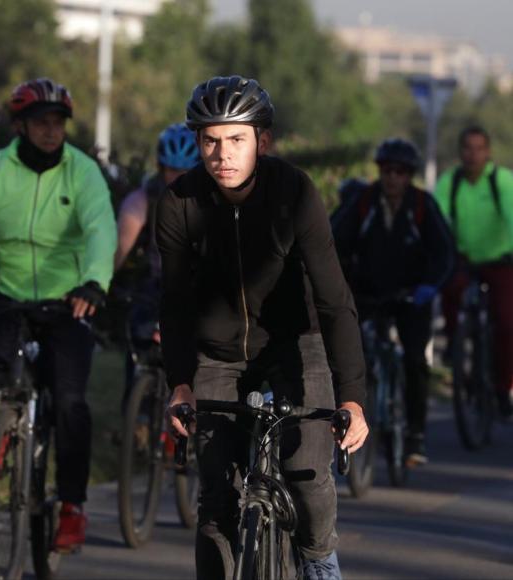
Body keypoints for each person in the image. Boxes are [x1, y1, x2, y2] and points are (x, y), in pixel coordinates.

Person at [159, 75, 368, 580]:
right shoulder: (180, 203)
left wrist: (353, 397)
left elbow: (334, 299)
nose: (222, 154)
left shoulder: (294, 192)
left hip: (296, 344)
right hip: (218, 353)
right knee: (217, 498)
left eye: (236, 139)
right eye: (210, 141)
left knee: (309, 474)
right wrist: (180, 381)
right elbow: (174, 302)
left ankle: (320, 563)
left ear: (262, 141)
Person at [0, 78, 116, 552]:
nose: (51, 132)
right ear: (20, 127)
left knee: (70, 401)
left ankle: (71, 506)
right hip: (7, 294)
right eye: (40, 123)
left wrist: (94, 282)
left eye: (58, 123)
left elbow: (100, 230)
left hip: (67, 297)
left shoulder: (83, 173)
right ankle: (2, 431)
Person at [332, 138, 455, 464]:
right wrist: (339, 286)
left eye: (400, 172)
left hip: (412, 296)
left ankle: (415, 435)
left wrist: (430, 286)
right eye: (387, 170)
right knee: (352, 357)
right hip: (367, 294)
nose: (393, 178)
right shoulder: (363, 202)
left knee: (415, 360)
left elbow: (444, 253)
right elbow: (333, 243)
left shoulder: (422, 205)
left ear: (409, 175)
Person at [114, 123, 200, 404]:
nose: (177, 178)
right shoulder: (144, 199)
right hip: (155, 285)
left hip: (196, 284)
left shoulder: (211, 200)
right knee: (137, 342)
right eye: (171, 170)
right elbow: (121, 245)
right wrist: (100, 282)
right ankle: (135, 410)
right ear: (161, 168)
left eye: (185, 171)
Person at [434, 125, 513, 418]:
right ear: (460, 151)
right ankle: (456, 350)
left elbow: (512, 214)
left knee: (506, 324)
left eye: (479, 148)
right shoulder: (449, 182)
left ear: (488, 152)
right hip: (464, 259)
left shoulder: (502, 181)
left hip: (500, 260)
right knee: (450, 292)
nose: (473, 154)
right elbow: (437, 221)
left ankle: (503, 387)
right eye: (467, 148)